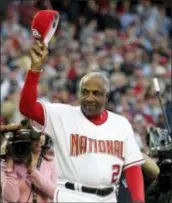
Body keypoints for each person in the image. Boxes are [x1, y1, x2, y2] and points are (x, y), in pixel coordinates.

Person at [19, 40, 145, 202]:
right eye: (85, 92)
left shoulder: (121, 124)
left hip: (109, 197)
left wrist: (139, 201)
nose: (89, 98)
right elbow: (27, 107)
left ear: (106, 97)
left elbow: (132, 167)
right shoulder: (61, 114)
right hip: (71, 194)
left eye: (96, 93)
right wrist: (35, 69)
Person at [1, 123, 57, 203]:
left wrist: (32, 171)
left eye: (42, 134)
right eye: (35, 134)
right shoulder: (10, 162)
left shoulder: (50, 161)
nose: (40, 139)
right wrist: (10, 164)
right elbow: (11, 199)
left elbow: (54, 194)